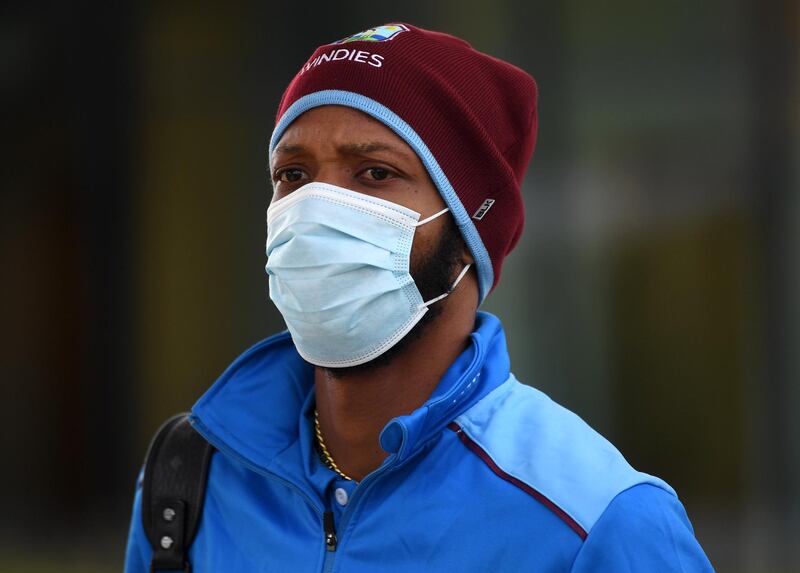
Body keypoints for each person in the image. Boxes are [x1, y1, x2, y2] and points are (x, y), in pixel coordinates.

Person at [124, 23, 715, 572]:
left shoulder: (598, 521)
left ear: (468, 231)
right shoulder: (192, 479)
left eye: (375, 173)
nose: (316, 211)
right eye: (294, 176)